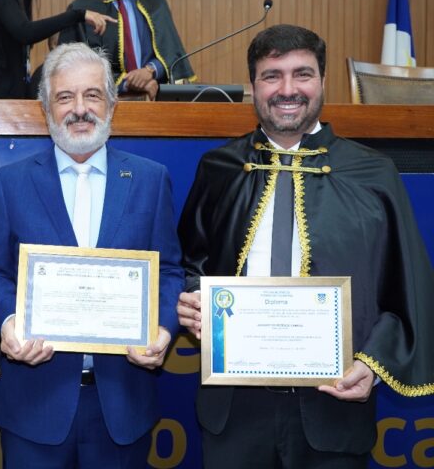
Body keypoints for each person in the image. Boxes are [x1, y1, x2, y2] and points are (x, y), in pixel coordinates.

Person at [177, 24, 434, 468]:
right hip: (234, 412)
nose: (287, 89)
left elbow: (406, 288)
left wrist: (372, 367)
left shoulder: (373, 174)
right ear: (253, 85)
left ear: (323, 80)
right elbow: (189, 264)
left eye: (302, 74)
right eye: (271, 75)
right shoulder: (219, 167)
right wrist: (192, 301)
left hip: (335, 406)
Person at [0, 42, 184, 467]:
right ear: (45, 108)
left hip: (123, 403)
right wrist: (10, 321)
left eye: (92, 95)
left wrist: (163, 329)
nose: (79, 109)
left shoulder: (150, 180)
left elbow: (168, 271)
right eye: (64, 97)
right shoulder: (9, 183)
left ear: (111, 103)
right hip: (34, 403)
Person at [59, 0, 195, 100]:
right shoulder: (83, 8)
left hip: (154, 100)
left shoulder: (154, 2)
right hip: (105, 104)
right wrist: (126, 83)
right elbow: (76, 66)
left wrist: (151, 70)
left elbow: (172, 52)